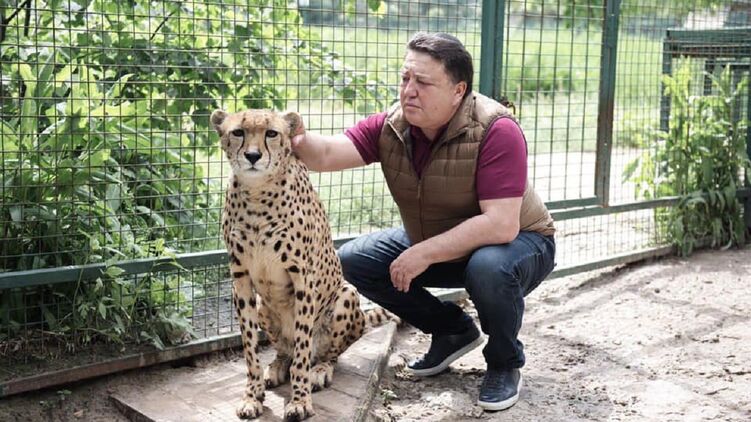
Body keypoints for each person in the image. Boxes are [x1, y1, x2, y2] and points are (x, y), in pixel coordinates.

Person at [291, 32, 556, 411]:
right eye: (405, 78)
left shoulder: (496, 129)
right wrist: (293, 137)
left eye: (423, 82)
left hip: (521, 244)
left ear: (458, 91)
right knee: (354, 260)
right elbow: (329, 154)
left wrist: (423, 253)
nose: (409, 91)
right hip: (443, 240)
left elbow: (501, 225)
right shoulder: (393, 126)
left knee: (488, 267)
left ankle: (504, 362)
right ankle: (452, 331)